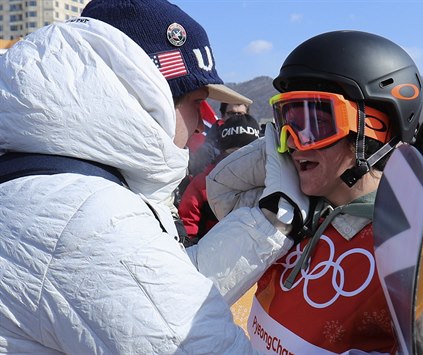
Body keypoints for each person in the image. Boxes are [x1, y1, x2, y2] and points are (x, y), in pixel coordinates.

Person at [0, 1, 308, 353]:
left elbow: (162, 294)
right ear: (145, 95)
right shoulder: (91, 223)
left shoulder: (55, 181)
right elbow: (160, 312)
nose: (202, 122)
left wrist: (270, 221)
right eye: (195, 102)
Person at [206, 30, 423, 354]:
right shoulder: (291, 219)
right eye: (286, 122)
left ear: (376, 131)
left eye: (313, 123)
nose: (294, 143)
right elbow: (224, 197)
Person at [179, 113, 260, 240]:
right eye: (232, 154)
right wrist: (192, 246)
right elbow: (187, 223)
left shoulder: (269, 180)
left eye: (246, 153)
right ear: (222, 153)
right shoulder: (204, 183)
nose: (239, 160)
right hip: (210, 251)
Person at [188, 102, 251, 177]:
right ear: (223, 116)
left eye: (240, 114)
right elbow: (200, 180)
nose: (236, 117)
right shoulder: (208, 150)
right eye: (231, 113)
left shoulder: (259, 143)